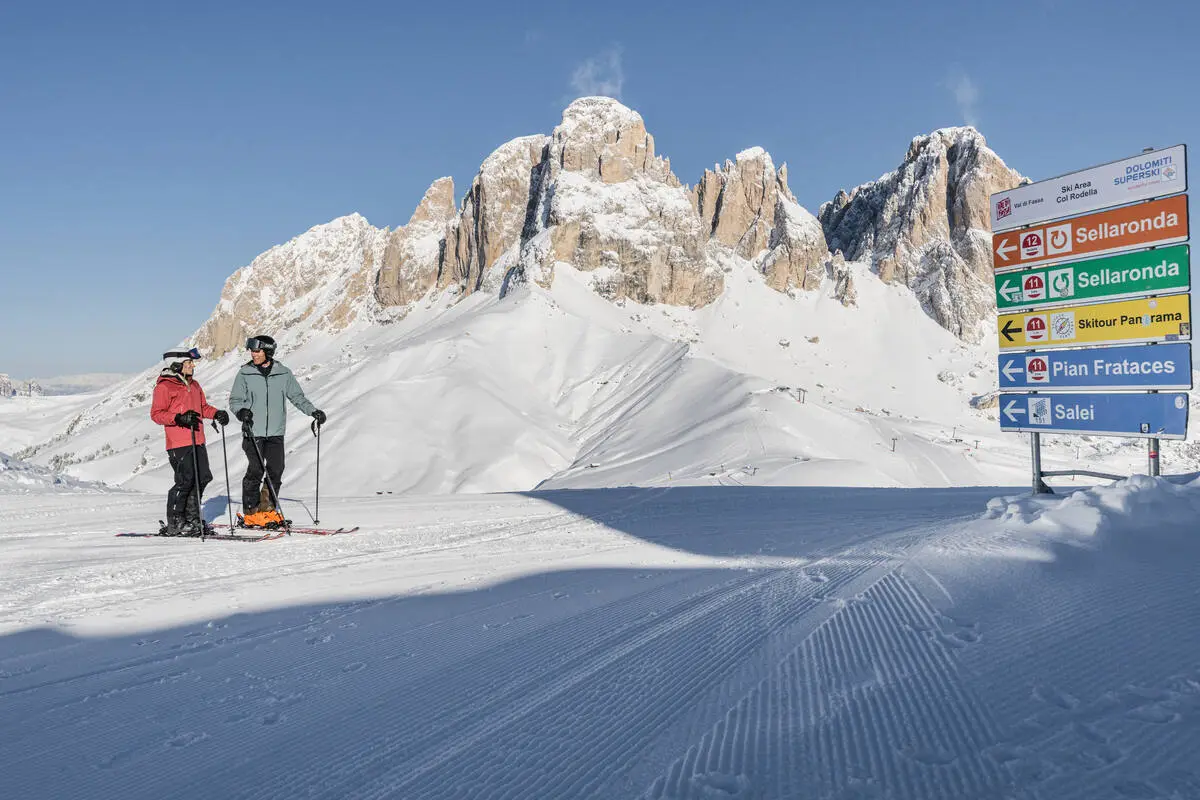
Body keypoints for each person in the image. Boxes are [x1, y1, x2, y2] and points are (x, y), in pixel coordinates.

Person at [229, 335, 326, 527]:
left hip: (275, 432)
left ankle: (267, 511)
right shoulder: (245, 373)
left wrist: (313, 411)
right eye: (252, 351)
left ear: (268, 352)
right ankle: (250, 513)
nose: (253, 354)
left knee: (276, 470)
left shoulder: (283, 374)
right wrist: (242, 412)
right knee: (255, 470)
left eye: (257, 351)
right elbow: (235, 400)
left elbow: (297, 397)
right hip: (252, 432)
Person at [149, 347, 229, 536]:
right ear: (176, 365)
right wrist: (179, 418)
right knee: (185, 481)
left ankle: (192, 519)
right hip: (179, 442)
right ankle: (176, 522)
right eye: (189, 363)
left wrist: (216, 413)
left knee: (203, 477)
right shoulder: (164, 387)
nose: (193, 365)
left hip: (197, 439)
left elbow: (202, 407)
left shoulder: (194, 385)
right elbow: (156, 414)